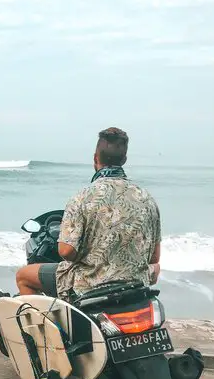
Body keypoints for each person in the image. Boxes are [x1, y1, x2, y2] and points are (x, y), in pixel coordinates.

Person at [16, 127, 161, 299]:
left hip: (90, 283)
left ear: (95, 158)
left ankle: (49, 325)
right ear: (124, 159)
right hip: (135, 282)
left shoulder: (82, 197)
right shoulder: (147, 198)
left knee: (23, 276)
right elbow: (154, 257)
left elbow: (65, 251)